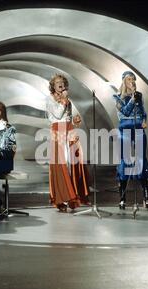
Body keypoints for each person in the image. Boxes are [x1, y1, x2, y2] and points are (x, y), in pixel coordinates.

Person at [46, 74, 90, 212]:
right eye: (57, 82)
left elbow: (67, 117)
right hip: (57, 130)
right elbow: (58, 115)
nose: (60, 84)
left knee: (74, 163)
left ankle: (74, 197)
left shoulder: (67, 100)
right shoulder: (50, 99)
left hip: (68, 129)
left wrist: (75, 121)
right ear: (53, 86)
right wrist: (64, 99)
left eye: (62, 82)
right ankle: (61, 199)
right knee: (61, 166)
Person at [113, 71, 148, 210]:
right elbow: (125, 111)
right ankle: (122, 196)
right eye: (129, 79)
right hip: (125, 129)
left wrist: (145, 120)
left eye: (134, 79)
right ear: (124, 81)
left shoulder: (138, 96)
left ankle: (146, 195)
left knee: (141, 159)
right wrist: (132, 99)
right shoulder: (117, 97)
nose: (132, 81)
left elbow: (143, 111)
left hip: (138, 128)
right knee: (125, 160)